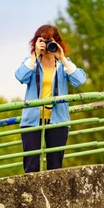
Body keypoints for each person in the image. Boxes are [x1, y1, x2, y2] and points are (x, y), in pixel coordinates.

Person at [15, 24, 86, 173]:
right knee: (31, 166)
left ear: (57, 42)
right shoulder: (31, 63)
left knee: (55, 166)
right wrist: (34, 56)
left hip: (58, 119)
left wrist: (63, 58)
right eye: (43, 40)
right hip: (32, 120)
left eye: (51, 41)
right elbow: (20, 76)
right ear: (36, 42)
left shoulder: (62, 65)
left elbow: (79, 80)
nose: (47, 45)